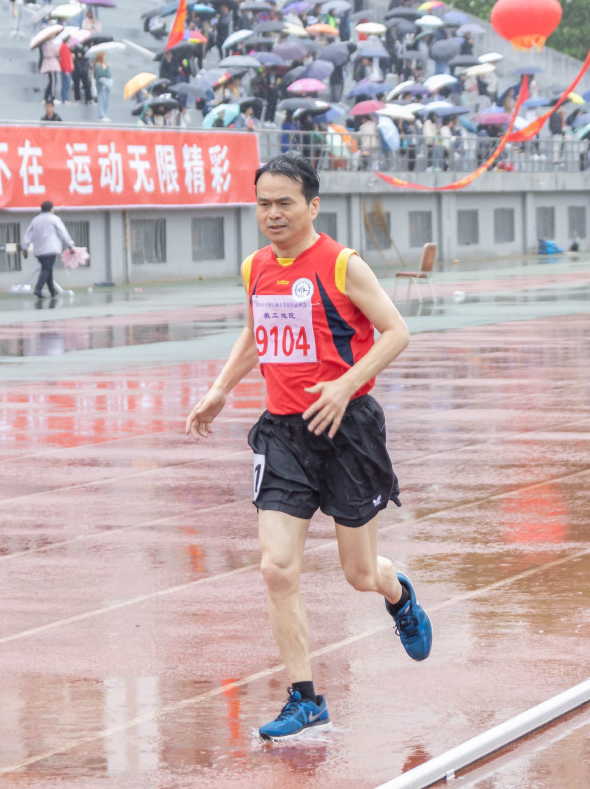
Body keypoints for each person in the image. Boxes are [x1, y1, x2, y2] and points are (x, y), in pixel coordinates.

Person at [184, 152, 432, 742]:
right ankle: (306, 697)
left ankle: (398, 594)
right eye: (263, 204)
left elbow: (396, 331)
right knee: (276, 567)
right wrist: (221, 388)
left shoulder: (343, 265)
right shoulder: (255, 267)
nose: (272, 214)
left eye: (284, 203)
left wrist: (345, 385)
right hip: (283, 434)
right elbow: (257, 332)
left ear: (312, 205)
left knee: (359, 573)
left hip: (347, 430)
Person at [21, 200, 73, 298]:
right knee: (46, 269)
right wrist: (70, 245)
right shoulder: (54, 219)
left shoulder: (35, 220)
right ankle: (38, 288)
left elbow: (28, 235)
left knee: (48, 268)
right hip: (51, 248)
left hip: (39, 250)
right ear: (51, 209)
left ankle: (52, 290)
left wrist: (25, 248)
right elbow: (63, 232)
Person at [39, 36, 60, 102]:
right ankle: (52, 96)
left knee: (52, 81)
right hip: (50, 64)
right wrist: (56, 52)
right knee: (53, 80)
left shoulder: (50, 43)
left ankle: (46, 97)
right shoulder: (46, 44)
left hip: (52, 63)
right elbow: (49, 53)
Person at [93, 52, 112, 121]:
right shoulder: (98, 65)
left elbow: (109, 74)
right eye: (103, 56)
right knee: (101, 100)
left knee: (106, 101)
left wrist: (107, 69)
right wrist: (105, 73)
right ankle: (101, 115)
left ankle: (105, 114)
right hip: (100, 86)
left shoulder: (106, 65)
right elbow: (99, 74)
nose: (105, 57)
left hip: (106, 85)